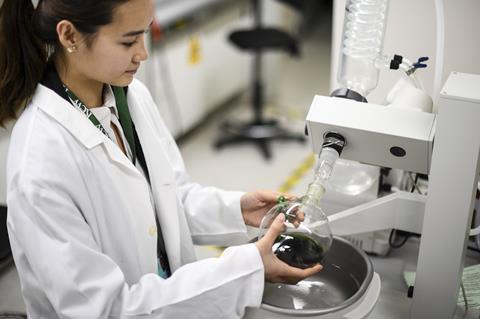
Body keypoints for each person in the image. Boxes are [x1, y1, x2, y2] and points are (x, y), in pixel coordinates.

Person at [0, 0, 322, 318]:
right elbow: (107, 310)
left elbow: (167, 197)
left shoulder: (131, 96)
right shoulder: (41, 164)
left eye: (145, 34)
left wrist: (237, 210)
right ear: (69, 36)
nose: (143, 53)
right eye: (128, 41)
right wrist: (243, 270)